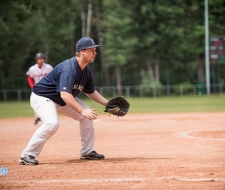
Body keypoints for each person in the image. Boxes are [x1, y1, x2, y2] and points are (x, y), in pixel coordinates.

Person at [19, 37, 108, 165]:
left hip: (61, 99)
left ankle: (87, 152)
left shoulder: (86, 70)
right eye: (92, 50)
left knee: (87, 116)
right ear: (82, 51)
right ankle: (26, 155)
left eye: (95, 50)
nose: (95, 53)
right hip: (43, 97)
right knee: (52, 123)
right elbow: (65, 95)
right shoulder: (69, 68)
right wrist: (82, 110)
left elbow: (90, 91)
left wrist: (107, 103)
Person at [26, 53, 53, 125]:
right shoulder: (32, 69)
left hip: (47, 88)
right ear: (36, 60)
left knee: (48, 102)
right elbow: (29, 78)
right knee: (34, 103)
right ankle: (38, 116)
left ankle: (45, 117)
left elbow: (53, 76)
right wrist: (32, 86)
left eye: (42, 58)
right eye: (39, 59)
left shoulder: (48, 67)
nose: (41, 60)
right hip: (36, 88)